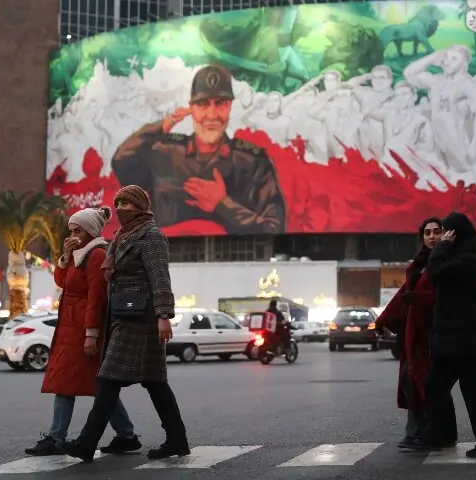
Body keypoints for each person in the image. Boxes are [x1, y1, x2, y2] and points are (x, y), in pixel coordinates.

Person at [58, 185, 190, 463]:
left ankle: (86, 442)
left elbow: (160, 278)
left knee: (107, 380)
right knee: (155, 383)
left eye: (127, 203)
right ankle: (177, 439)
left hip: (140, 319)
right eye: (118, 202)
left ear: (141, 206)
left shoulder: (151, 236)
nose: (121, 208)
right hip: (123, 316)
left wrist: (164, 316)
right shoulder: (120, 236)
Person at [111, 64, 286, 235]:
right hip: (166, 258)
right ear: (191, 108)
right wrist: (163, 125)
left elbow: (274, 228)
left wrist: (223, 205)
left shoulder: (253, 162)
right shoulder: (164, 152)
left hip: (233, 259)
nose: (212, 115)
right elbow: (121, 160)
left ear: (230, 107)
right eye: (202, 104)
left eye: (220, 103)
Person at [25, 206, 141, 456]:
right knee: (98, 386)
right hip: (70, 328)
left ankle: (57, 437)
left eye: (78, 230)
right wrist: (65, 256)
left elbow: (96, 298)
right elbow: (62, 282)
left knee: (67, 383)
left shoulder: (97, 255)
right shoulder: (79, 254)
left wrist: (91, 334)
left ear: (90, 231)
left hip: (82, 330)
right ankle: (126, 434)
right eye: (71, 230)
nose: (73, 234)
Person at [424, 212, 476, 458]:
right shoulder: (463, 258)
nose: (441, 236)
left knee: (472, 393)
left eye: (446, 231)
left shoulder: (466, 261)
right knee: (439, 388)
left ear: (455, 234)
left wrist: (441, 247)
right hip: (455, 341)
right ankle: (443, 435)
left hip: (462, 342)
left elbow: (434, 271)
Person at [377, 217, 457, 451]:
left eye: (437, 232)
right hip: (415, 334)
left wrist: (417, 300)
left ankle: (427, 433)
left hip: (436, 333)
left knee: (427, 384)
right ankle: (427, 433)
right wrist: (383, 320)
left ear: (446, 234)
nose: (432, 236)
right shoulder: (419, 265)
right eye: (427, 233)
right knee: (415, 382)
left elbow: (444, 298)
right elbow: (404, 294)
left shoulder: (448, 262)